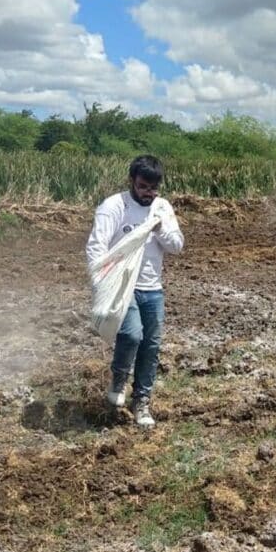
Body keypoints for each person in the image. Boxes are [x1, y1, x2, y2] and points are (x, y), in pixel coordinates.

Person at [85, 155, 184, 428]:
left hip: (152, 288)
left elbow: (177, 245)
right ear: (132, 181)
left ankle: (141, 401)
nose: (148, 194)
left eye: (153, 189)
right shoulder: (114, 206)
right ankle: (119, 378)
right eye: (142, 187)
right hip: (121, 285)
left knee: (151, 346)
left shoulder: (162, 208)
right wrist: (101, 282)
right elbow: (97, 246)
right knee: (131, 333)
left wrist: (161, 228)